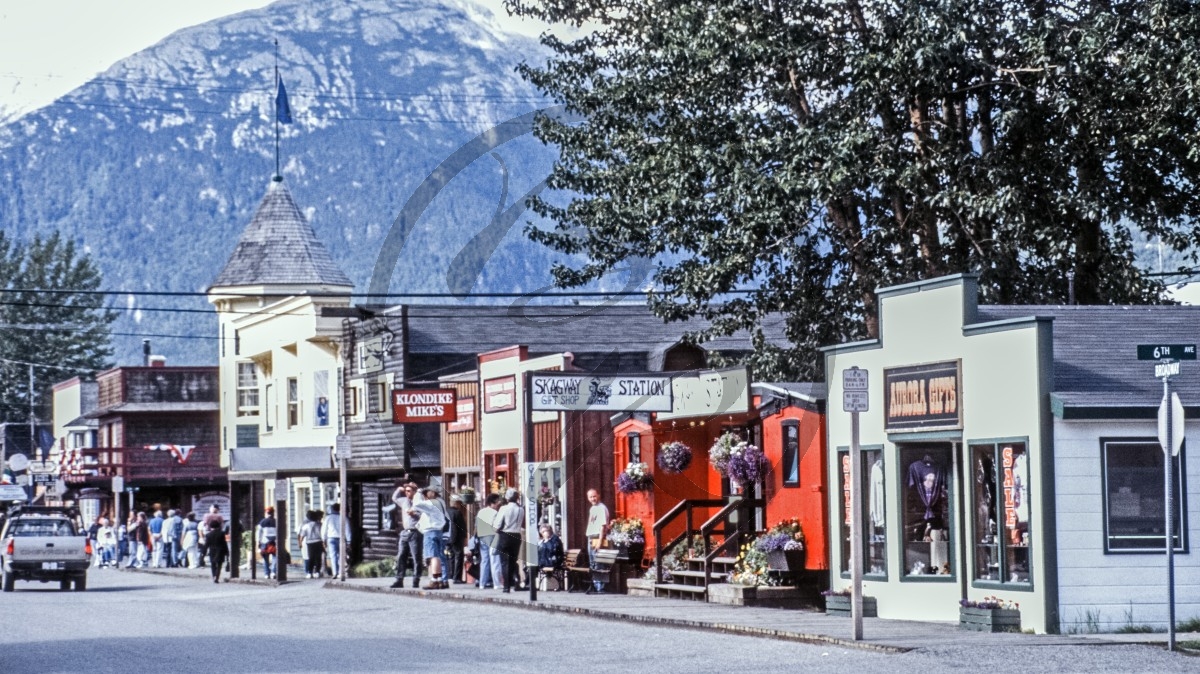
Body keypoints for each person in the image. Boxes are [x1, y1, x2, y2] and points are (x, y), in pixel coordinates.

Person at [409, 485, 450, 589]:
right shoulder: (441, 502)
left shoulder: (431, 503)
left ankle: (434, 580)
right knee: (439, 556)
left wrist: (418, 492)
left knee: (433, 556)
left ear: (433, 492)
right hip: (438, 531)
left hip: (430, 531)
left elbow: (417, 504)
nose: (425, 494)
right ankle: (441, 579)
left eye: (427, 492)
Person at [390, 481, 423, 588]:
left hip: (415, 531)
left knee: (416, 557)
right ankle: (399, 579)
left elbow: (424, 516)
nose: (407, 493)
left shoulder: (419, 502)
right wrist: (399, 490)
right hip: (405, 531)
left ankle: (416, 579)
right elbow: (394, 498)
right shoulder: (404, 501)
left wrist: (415, 514)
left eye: (409, 491)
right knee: (401, 556)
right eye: (406, 491)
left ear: (414, 492)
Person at [494, 489, 524, 593]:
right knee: (513, 560)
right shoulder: (521, 509)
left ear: (507, 498)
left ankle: (507, 585)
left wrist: (497, 529)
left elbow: (497, 524)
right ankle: (516, 580)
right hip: (516, 535)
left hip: (505, 535)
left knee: (504, 562)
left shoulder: (504, 508)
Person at [585, 488, 611, 594]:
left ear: (598, 496)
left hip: (597, 537)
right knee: (593, 563)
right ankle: (596, 585)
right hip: (591, 537)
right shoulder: (592, 508)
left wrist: (600, 541)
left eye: (594, 496)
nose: (593, 499)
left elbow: (602, 526)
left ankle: (600, 587)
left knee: (599, 562)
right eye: (590, 497)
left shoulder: (601, 508)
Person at [474, 493, 502, 590]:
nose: (498, 505)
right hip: (493, 537)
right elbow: (497, 526)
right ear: (492, 503)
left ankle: (482, 583)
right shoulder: (495, 513)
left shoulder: (480, 512)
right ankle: (496, 583)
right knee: (495, 560)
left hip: (482, 537)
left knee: (484, 561)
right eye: (497, 503)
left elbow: (476, 526)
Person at [322, 503, 350, 578]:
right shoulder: (343, 517)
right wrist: (349, 540)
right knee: (342, 555)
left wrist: (323, 539)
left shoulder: (328, 518)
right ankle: (341, 572)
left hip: (331, 538)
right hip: (341, 538)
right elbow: (347, 529)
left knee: (333, 556)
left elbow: (324, 529)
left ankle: (335, 572)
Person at [446, 496, 468, 584]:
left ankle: (451, 575)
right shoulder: (457, 513)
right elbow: (462, 527)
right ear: (456, 503)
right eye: (459, 503)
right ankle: (457, 577)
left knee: (451, 556)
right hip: (457, 538)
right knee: (459, 556)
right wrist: (465, 537)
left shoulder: (446, 512)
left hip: (447, 537)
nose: (460, 505)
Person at [536, 524, 564, 591]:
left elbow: (552, 551)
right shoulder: (543, 541)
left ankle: (526, 583)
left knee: (534, 566)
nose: (544, 533)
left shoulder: (555, 540)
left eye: (545, 531)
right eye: (542, 532)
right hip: (546, 560)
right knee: (531, 566)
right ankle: (528, 583)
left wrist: (546, 542)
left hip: (553, 561)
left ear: (550, 531)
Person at [298, 510, 324, 578]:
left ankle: (310, 572)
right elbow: (323, 534)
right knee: (318, 558)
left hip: (310, 542)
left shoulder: (306, 526)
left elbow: (302, 536)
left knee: (311, 557)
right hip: (319, 541)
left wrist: (300, 543)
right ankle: (317, 572)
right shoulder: (320, 525)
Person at [205, 517, 229, 584]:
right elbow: (224, 543)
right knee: (219, 565)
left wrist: (203, 553)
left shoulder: (208, 535)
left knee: (213, 565)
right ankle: (217, 577)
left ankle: (214, 576)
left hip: (212, 551)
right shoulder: (222, 533)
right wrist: (227, 552)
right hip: (220, 551)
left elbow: (206, 545)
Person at [257, 507, 278, 579]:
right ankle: (273, 572)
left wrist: (258, 542)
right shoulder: (276, 522)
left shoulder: (262, 522)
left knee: (265, 559)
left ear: (266, 513)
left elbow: (259, 533)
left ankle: (267, 573)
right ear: (273, 513)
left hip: (265, 542)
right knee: (275, 557)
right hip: (274, 542)